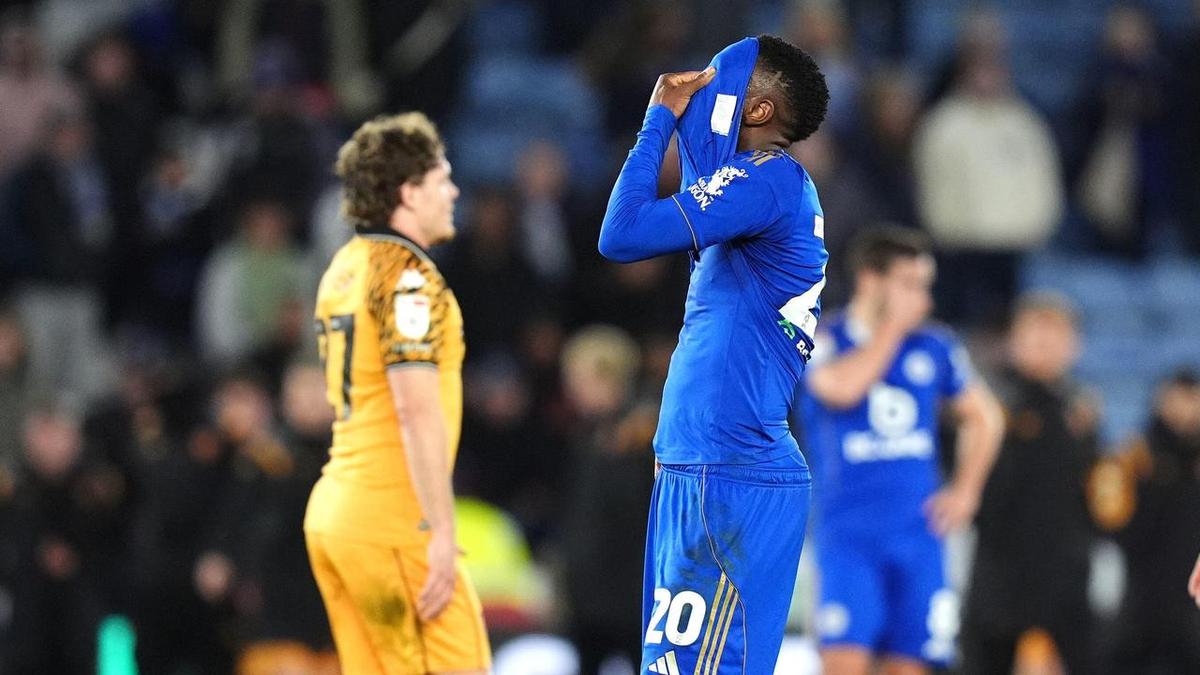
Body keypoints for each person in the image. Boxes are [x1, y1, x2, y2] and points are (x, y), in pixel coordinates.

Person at [599, 34, 830, 674]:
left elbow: (621, 234)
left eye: (712, 79)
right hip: (708, 462)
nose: (694, 89)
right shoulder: (758, 190)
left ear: (757, 110)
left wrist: (657, 120)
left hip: (725, 467)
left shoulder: (768, 179)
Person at [302, 112, 489, 674]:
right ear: (408, 192)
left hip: (338, 515)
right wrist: (441, 528)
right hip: (391, 522)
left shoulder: (345, 267)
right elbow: (414, 410)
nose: (453, 192)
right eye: (442, 179)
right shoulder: (407, 278)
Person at [799, 226, 1004, 675]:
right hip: (848, 535)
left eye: (925, 286)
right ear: (870, 280)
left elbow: (985, 417)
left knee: (911, 664)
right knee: (844, 662)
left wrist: (966, 490)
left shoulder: (935, 346)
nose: (923, 300)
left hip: (918, 533)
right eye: (910, 284)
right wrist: (890, 329)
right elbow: (842, 389)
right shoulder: (824, 338)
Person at [962, 293, 1100, 675]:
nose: (1045, 343)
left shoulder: (1081, 411)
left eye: (1056, 334)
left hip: (1066, 586)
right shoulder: (988, 405)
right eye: (1035, 332)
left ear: (1073, 345)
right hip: (1000, 587)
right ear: (1014, 340)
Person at [1094, 369, 1200, 673]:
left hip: (1190, 601)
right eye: (1177, 398)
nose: (1184, 409)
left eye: (1191, 399)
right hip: (1142, 597)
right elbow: (1114, 524)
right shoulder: (1136, 456)